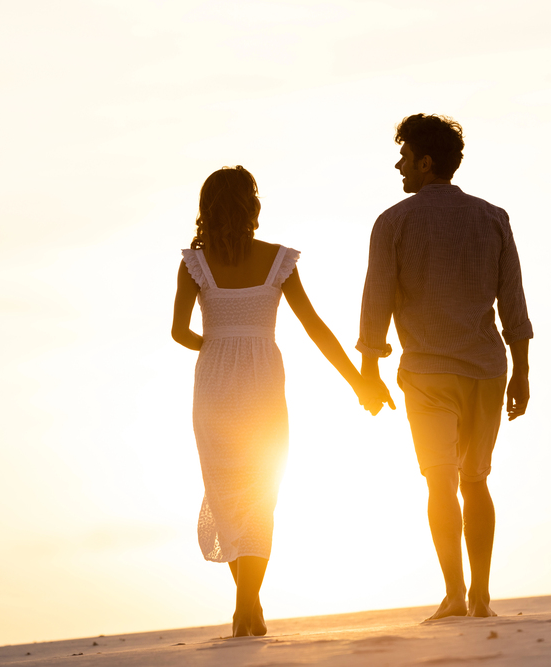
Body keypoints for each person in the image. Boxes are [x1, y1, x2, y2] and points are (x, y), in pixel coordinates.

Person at [172, 166, 392, 637]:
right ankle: (248, 604)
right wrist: (359, 383)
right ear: (252, 206)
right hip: (264, 383)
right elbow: (315, 327)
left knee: (229, 493)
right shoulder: (279, 260)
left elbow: (178, 332)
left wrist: (215, 344)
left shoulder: (195, 263)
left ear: (207, 209)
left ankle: (245, 604)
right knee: (260, 491)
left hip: (212, 385)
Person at [357, 114, 533, 620]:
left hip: (428, 373)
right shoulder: (493, 217)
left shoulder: (393, 221)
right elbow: (513, 305)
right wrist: (521, 372)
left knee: (440, 483)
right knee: (476, 481)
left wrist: (368, 369)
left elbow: (377, 303)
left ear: (426, 161)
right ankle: (480, 595)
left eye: (405, 156)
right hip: (486, 369)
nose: (399, 165)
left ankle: (455, 594)